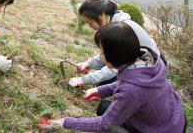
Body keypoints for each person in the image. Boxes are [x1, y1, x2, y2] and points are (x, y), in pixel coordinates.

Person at [40, 22, 186, 133]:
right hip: (175, 119)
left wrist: (64, 122)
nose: (101, 57)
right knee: (104, 106)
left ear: (116, 54)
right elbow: (134, 85)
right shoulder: (147, 60)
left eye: (102, 52)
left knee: (108, 121)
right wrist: (101, 90)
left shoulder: (131, 91)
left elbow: (104, 123)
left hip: (162, 130)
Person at [69, 0, 165, 88]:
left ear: (102, 16)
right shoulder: (115, 25)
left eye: (90, 23)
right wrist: (88, 64)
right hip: (145, 61)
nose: (90, 27)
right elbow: (108, 55)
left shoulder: (120, 31)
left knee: (109, 85)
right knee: (103, 83)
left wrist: (84, 80)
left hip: (152, 68)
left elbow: (115, 66)